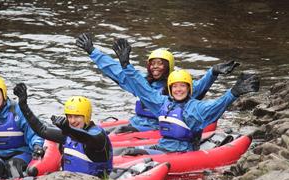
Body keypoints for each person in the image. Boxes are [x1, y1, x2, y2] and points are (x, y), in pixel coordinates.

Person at [105, 38, 259, 152]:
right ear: (170, 89)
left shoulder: (195, 108)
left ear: (189, 89)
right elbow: (141, 87)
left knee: (129, 152)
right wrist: (126, 65)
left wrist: (234, 92)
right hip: (163, 147)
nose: (179, 90)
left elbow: (218, 105)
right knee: (122, 151)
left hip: (182, 152)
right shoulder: (162, 103)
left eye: (183, 86)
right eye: (175, 86)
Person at [76, 33, 239, 133]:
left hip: (155, 127)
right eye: (152, 63)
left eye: (160, 63)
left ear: (168, 67)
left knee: (118, 131)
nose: (155, 66)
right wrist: (92, 51)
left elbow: (198, 88)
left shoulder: (176, 88)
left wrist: (213, 72)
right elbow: (116, 70)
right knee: (101, 128)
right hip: (137, 122)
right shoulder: (142, 82)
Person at [13, 83, 112, 178]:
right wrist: (23, 106)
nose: (72, 121)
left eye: (77, 116)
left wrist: (68, 129)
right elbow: (42, 130)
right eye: (69, 116)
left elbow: (87, 138)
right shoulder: (68, 134)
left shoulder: (98, 137)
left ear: (86, 117)